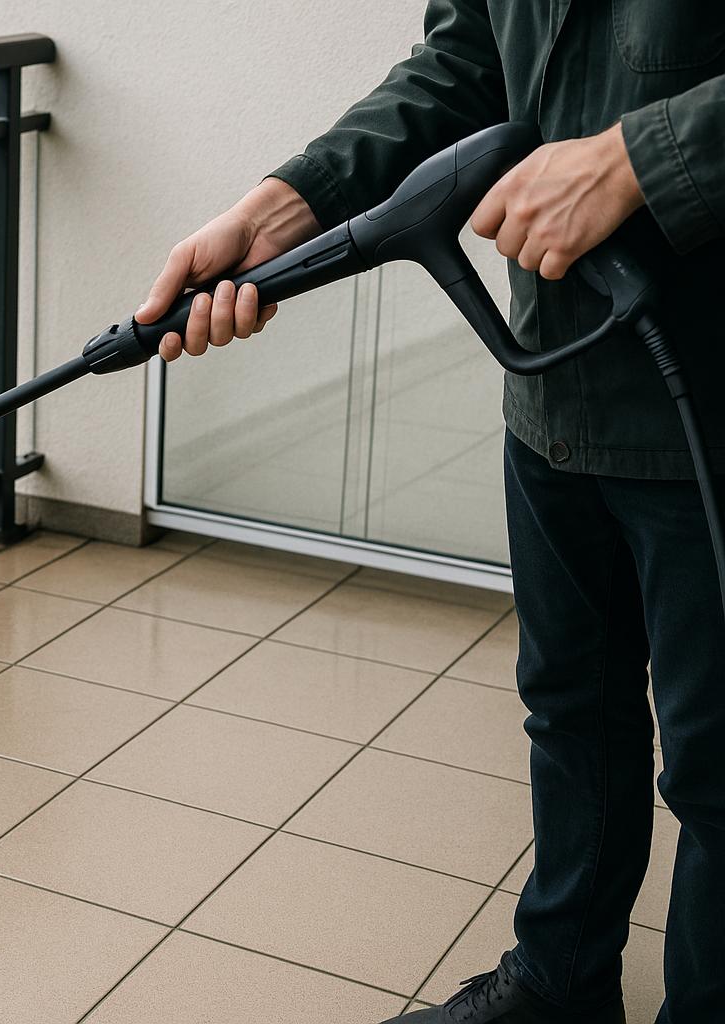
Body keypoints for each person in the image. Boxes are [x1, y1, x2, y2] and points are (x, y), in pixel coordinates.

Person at [136, 3, 725, 1023]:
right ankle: (560, 984)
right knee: (572, 709)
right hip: (558, 384)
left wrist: (642, 157)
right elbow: (468, 59)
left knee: (720, 769)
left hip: (709, 403)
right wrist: (282, 208)